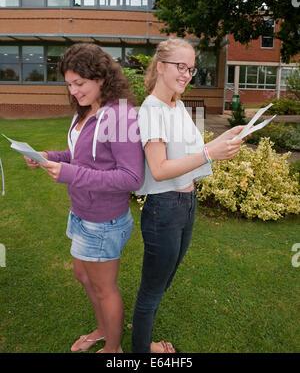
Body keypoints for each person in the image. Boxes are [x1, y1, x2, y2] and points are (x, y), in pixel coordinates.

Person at [24, 43, 144, 354]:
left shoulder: (121, 117)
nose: (74, 91)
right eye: (69, 85)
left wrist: (69, 173)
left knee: (104, 289)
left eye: (79, 84)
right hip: (80, 212)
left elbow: (132, 178)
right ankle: (103, 328)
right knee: (82, 276)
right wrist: (48, 156)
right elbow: (81, 156)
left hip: (104, 221)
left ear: (101, 78)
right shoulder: (86, 111)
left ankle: (113, 349)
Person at [132, 37, 245, 353]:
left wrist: (225, 139)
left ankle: (143, 323)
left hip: (186, 204)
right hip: (164, 209)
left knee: (164, 280)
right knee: (152, 290)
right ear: (160, 67)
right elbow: (159, 168)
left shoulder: (178, 105)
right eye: (180, 66)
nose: (187, 74)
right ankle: (143, 348)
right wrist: (210, 153)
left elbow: (195, 151)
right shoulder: (151, 110)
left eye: (191, 69)